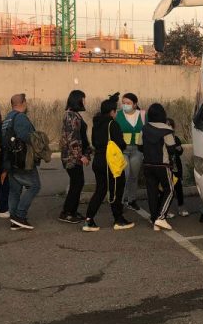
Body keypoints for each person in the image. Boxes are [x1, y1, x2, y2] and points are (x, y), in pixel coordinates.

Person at [83, 93, 134, 232]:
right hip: (110, 162)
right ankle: (118, 219)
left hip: (98, 161)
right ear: (112, 111)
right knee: (117, 189)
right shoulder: (113, 124)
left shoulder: (96, 124)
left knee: (100, 190)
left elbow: (94, 142)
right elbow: (120, 144)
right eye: (115, 110)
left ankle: (89, 219)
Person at [2, 93, 41, 230]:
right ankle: (20, 215)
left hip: (10, 161)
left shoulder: (7, 118)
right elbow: (26, 137)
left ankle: (14, 220)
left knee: (15, 190)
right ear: (23, 103)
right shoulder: (21, 118)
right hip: (23, 161)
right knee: (35, 186)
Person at [141, 103, 181, 231]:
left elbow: (139, 146)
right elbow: (172, 149)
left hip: (147, 164)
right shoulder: (167, 130)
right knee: (169, 190)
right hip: (162, 165)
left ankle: (154, 219)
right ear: (162, 115)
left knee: (152, 192)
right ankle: (161, 217)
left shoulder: (144, 128)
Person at [59, 90, 91, 224]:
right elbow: (73, 139)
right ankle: (67, 213)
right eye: (83, 99)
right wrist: (80, 156)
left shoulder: (74, 115)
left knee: (77, 183)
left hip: (73, 156)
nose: (84, 102)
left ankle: (71, 210)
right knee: (77, 183)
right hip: (72, 158)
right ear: (77, 100)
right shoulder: (71, 116)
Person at [114, 92, 144, 212]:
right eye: (123, 103)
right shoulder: (117, 115)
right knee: (124, 175)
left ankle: (132, 200)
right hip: (122, 150)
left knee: (134, 176)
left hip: (137, 149)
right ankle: (120, 201)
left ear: (135, 104)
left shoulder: (142, 115)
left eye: (128, 103)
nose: (125, 105)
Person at [165, 117, 189, 218]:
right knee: (166, 189)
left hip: (176, 167)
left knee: (178, 188)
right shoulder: (162, 139)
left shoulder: (176, 138)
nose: (168, 126)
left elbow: (179, 151)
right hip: (166, 167)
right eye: (166, 124)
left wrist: (178, 149)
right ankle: (166, 209)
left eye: (170, 124)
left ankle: (181, 207)